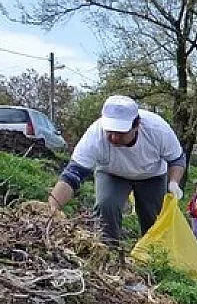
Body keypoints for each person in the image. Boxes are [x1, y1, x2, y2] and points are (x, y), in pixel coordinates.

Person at [47, 95, 186, 242]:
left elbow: (177, 159)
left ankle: (154, 255)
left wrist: (174, 182)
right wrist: (51, 210)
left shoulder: (158, 130)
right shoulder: (94, 136)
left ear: (136, 125)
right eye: (110, 131)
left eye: (120, 133)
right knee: (106, 206)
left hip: (152, 176)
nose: (113, 138)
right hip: (112, 173)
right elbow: (72, 176)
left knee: (154, 219)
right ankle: (108, 251)